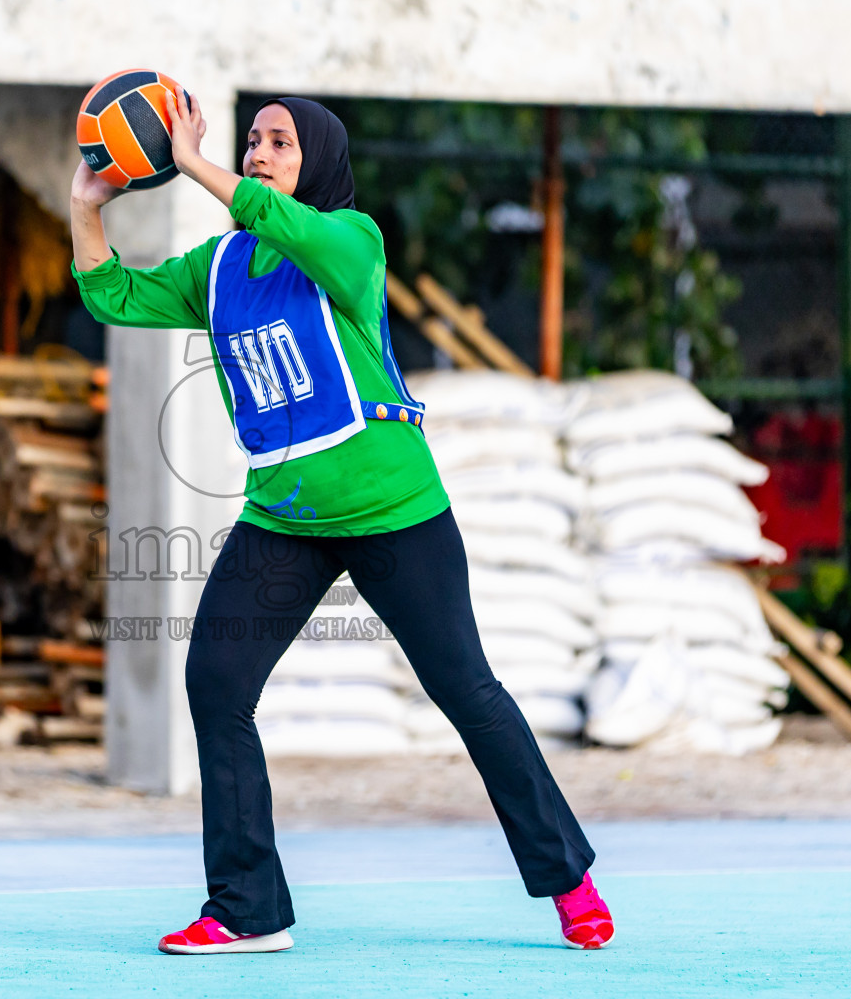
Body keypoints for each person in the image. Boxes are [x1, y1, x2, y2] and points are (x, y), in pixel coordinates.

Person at [70, 94, 613, 954]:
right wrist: (85, 208)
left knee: (466, 693)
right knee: (215, 683)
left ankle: (568, 881)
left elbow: (276, 220)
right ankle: (247, 908)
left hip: (394, 510)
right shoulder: (218, 269)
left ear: (316, 159)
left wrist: (194, 162)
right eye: (251, 140)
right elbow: (111, 297)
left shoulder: (352, 242)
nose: (259, 153)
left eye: (279, 143)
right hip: (284, 518)